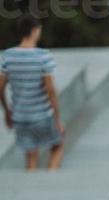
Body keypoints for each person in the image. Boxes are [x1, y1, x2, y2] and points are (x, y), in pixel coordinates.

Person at [0, 17, 63, 171]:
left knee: (31, 156)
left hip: (20, 116)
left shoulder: (7, 56)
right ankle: (50, 179)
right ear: (34, 31)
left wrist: (7, 111)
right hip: (41, 115)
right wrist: (57, 118)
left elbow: (0, 87)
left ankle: (32, 186)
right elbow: (50, 90)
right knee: (57, 146)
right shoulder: (43, 56)